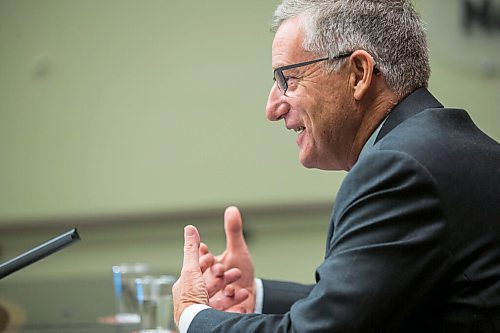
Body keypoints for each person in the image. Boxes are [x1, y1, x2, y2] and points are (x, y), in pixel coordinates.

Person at [173, 0, 500, 331]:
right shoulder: (439, 149)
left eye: (288, 78)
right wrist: (253, 295)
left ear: (358, 74)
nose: (272, 108)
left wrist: (193, 315)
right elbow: (370, 304)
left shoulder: (400, 171)